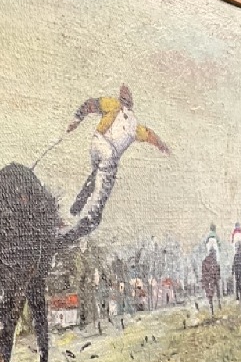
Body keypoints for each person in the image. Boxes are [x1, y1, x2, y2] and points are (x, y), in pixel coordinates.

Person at [61, 84, 169, 245]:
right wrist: (162, 147)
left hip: (97, 145)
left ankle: (77, 205)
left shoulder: (115, 106)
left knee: (98, 172)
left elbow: (90, 104)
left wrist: (76, 120)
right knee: (103, 184)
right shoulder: (133, 123)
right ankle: (86, 220)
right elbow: (150, 135)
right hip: (108, 152)